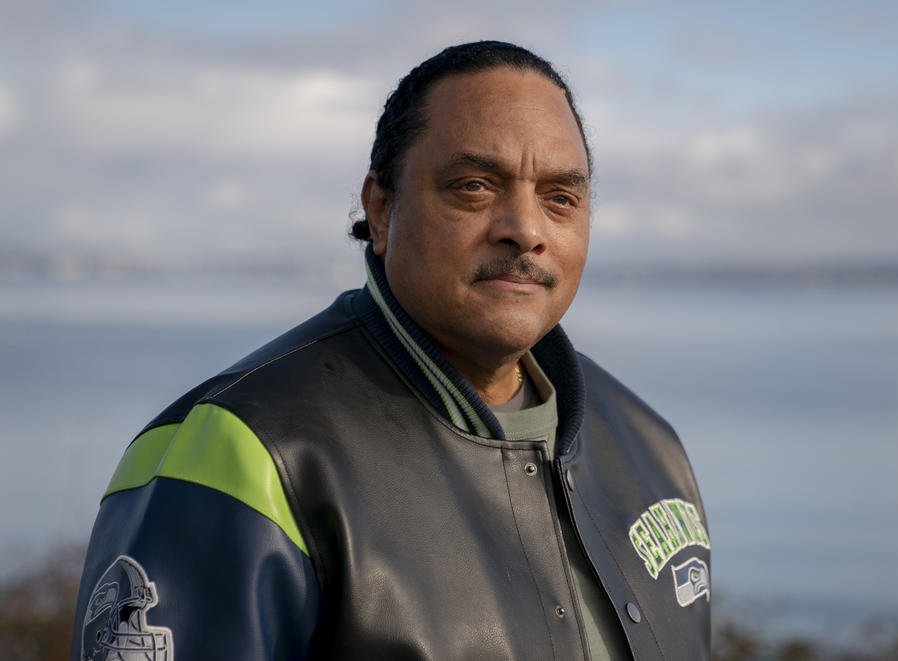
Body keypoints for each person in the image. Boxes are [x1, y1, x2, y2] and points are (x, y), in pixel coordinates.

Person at [72, 41, 711, 660]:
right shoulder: (239, 451)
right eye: (474, 186)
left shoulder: (648, 448)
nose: (527, 228)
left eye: (561, 198)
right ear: (380, 210)